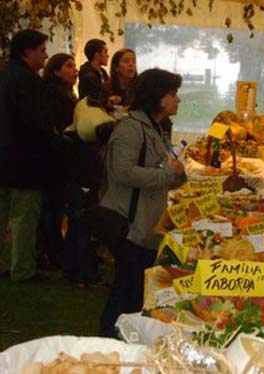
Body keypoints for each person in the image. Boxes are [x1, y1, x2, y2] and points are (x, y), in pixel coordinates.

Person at [99, 68, 187, 337]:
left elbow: (163, 172)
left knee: (135, 289)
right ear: (158, 97)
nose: (177, 100)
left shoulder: (154, 127)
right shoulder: (131, 128)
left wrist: (178, 176)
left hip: (146, 225)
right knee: (126, 287)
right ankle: (107, 340)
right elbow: (122, 172)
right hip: (129, 223)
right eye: (173, 94)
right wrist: (166, 174)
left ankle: (125, 339)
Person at [0, 29, 60, 282]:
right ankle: (22, 269)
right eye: (42, 50)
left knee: (2, 215)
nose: (46, 56)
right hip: (25, 161)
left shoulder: (3, 75)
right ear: (28, 52)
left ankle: (3, 265)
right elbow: (37, 124)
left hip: (3, 158)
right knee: (24, 219)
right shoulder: (31, 82)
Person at [36, 54, 79, 270]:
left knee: (54, 209)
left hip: (59, 159)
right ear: (56, 71)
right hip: (56, 161)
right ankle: (50, 253)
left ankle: (50, 251)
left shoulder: (66, 94)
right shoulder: (55, 95)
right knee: (52, 209)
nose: (75, 70)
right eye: (69, 66)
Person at [78, 39, 109, 104]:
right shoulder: (87, 75)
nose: (108, 55)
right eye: (105, 52)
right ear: (97, 55)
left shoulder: (103, 72)